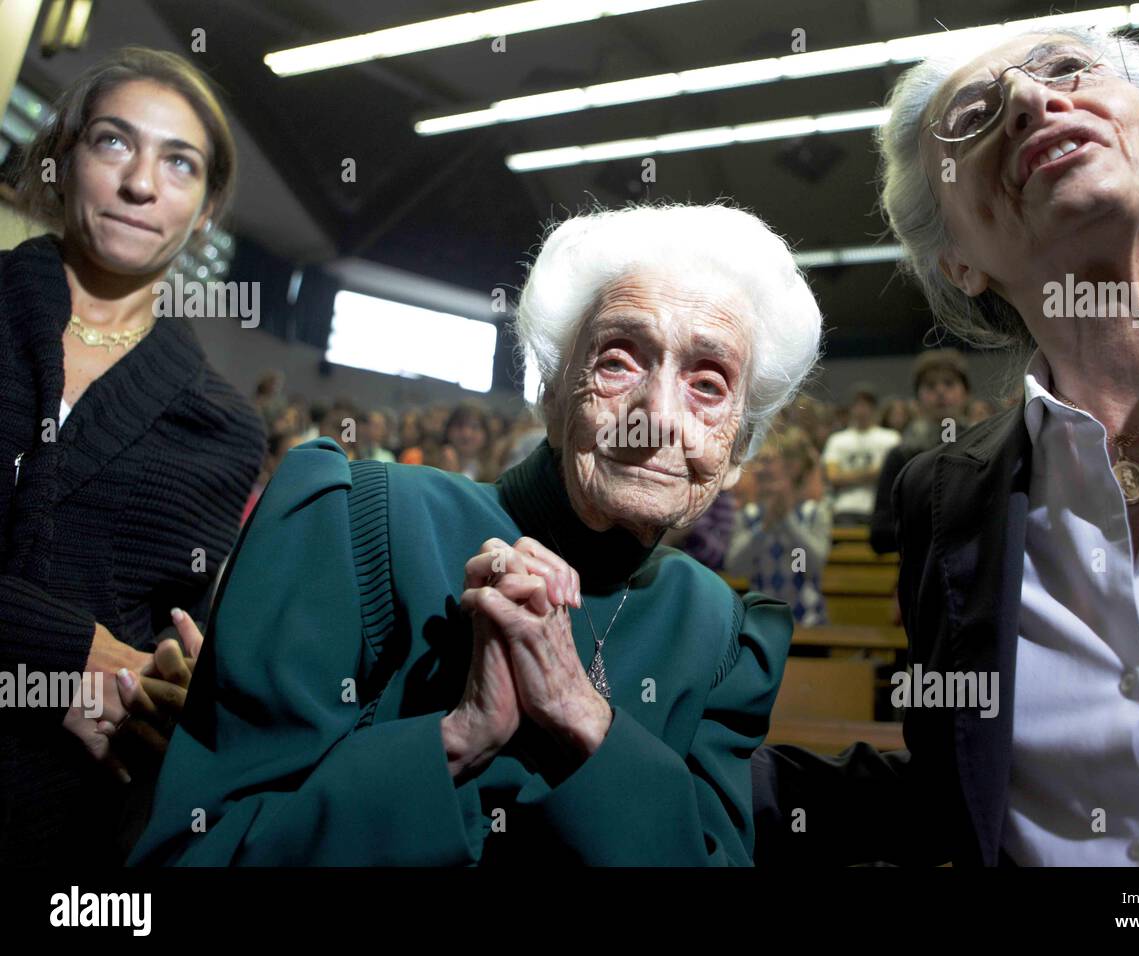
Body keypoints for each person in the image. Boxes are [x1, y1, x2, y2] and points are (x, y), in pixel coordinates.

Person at [753, 25, 1139, 867]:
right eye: (973, 116)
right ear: (958, 260)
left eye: (1068, 70)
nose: (1031, 99)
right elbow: (951, 790)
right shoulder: (941, 498)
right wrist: (628, 757)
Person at [130, 202, 823, 866]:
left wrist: (585, 720)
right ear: (551, 394)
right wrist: (455, 742)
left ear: (738, 451)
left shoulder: (725, 636)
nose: (660, 416)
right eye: (618, 360)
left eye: (708, 384)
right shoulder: (356, 519)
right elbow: (200, 851)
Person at [0, 47, 263, 864]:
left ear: (206, 208)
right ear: (63, 158)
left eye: (178, 162)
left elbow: (151, 651)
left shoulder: (222, 430)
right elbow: (93, 647)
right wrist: (67, 649)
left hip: (52, 827)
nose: (141, 183)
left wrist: (168, 693)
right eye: (113, 143)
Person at [869, 349, 970, 554]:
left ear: (965, 394)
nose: (940, 391)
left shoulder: (986, 448)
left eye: (949, 383)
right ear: (917, 398)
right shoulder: (901, 456)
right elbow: (879, 534)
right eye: (930, 385)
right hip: (919, 577)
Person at [727, 427, 831, 626]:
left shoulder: (812, 514)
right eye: (759, 460)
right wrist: (764, 528)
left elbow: (808, 567)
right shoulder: (748, 516)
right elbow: (736, 569)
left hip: (806, 622)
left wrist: (788, 522)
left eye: (768, 461)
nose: (761, 469)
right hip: (760, 623)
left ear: (792, 467)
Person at [822, 383, 901, 525]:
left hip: (879, 509)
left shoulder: (891, 438)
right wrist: (873, 474)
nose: (862, 410)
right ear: (851, 409)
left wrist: (847, 476)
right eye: (858, 405)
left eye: (866, 405)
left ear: (874, 409)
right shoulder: (837, 440)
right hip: (844, 508)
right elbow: (833, 477)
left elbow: (893, 477)